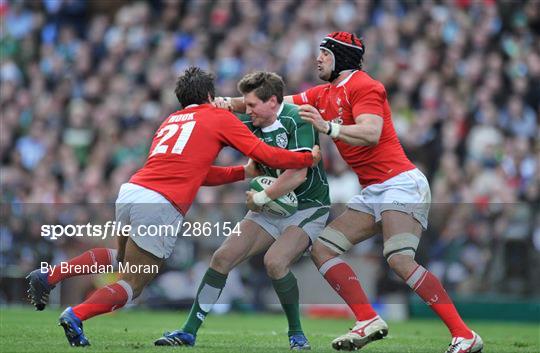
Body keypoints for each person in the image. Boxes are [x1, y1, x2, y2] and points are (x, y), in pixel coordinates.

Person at [223, 32, 483, 353]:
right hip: (373, 190)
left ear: (341, 58)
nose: (317, 59)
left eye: (324, 54)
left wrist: (328, 127)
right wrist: (221, 105)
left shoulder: (365, 86)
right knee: (322, 249)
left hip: (400, 182)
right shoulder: (324, 93)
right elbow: (272, 105)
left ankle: (464, 334)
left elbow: (371, 133)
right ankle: (368, 319)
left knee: (399, 260)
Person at [26, 67, 321, 347]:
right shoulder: (217, 117)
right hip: (159, 203)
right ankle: (76, 315)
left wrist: (242, 173)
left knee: (123, 259)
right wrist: (306, 159)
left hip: (132, 190)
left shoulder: (172, 120)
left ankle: (50, 276)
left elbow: (195, 173)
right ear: (209, 96)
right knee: (134, 283)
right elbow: (264, 152)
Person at [154, 71, 330, 350]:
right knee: (222, 258)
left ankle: (297, 334)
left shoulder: (298, 118)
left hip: (308, 206)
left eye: (251, 105)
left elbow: (297, 174)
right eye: (244, 105)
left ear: (272, 101)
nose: (246, 111)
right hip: (272, 206)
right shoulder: (251, 120)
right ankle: (188, 332)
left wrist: (261, 197)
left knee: (275, 262)